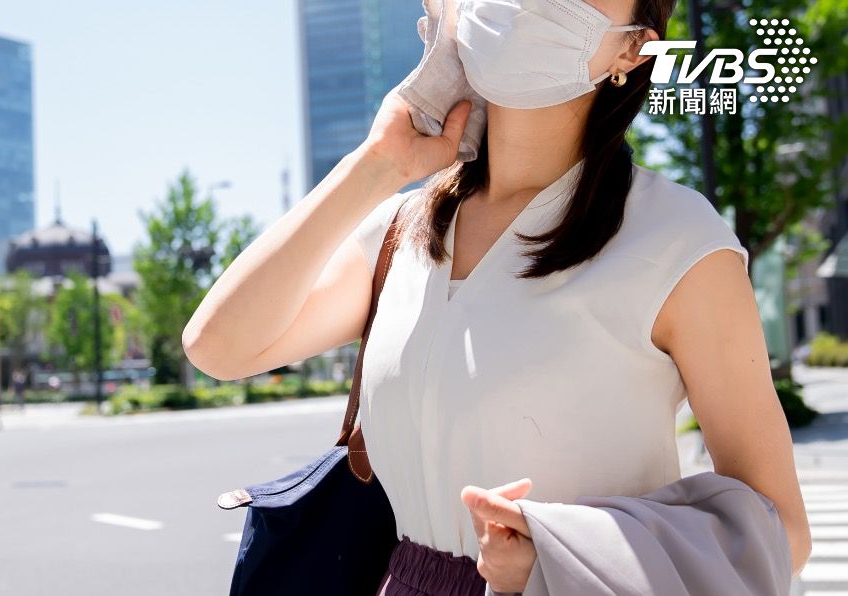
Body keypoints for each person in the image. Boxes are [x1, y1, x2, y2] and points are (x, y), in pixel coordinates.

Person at [183, 0, 811, 592]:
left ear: (633, 52)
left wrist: (561, 556)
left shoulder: (678, 239)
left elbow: (781, 530)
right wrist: (379, 163)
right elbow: (218, 347)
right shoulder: (402, 231)